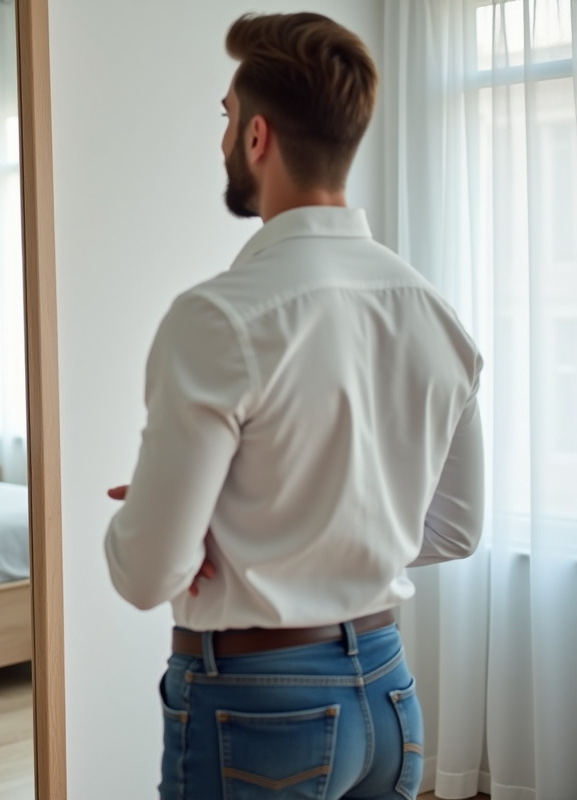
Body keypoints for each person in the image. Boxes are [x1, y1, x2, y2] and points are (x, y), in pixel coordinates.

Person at [104, 13, 484, 800]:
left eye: (226, 117)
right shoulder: (435, 313)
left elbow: (146, 575)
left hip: (255, 706)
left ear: (257, 137)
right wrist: (305, 531)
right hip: (387, 692)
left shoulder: (218, 317)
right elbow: (454, 528)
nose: (221, 140)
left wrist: (166, 514)